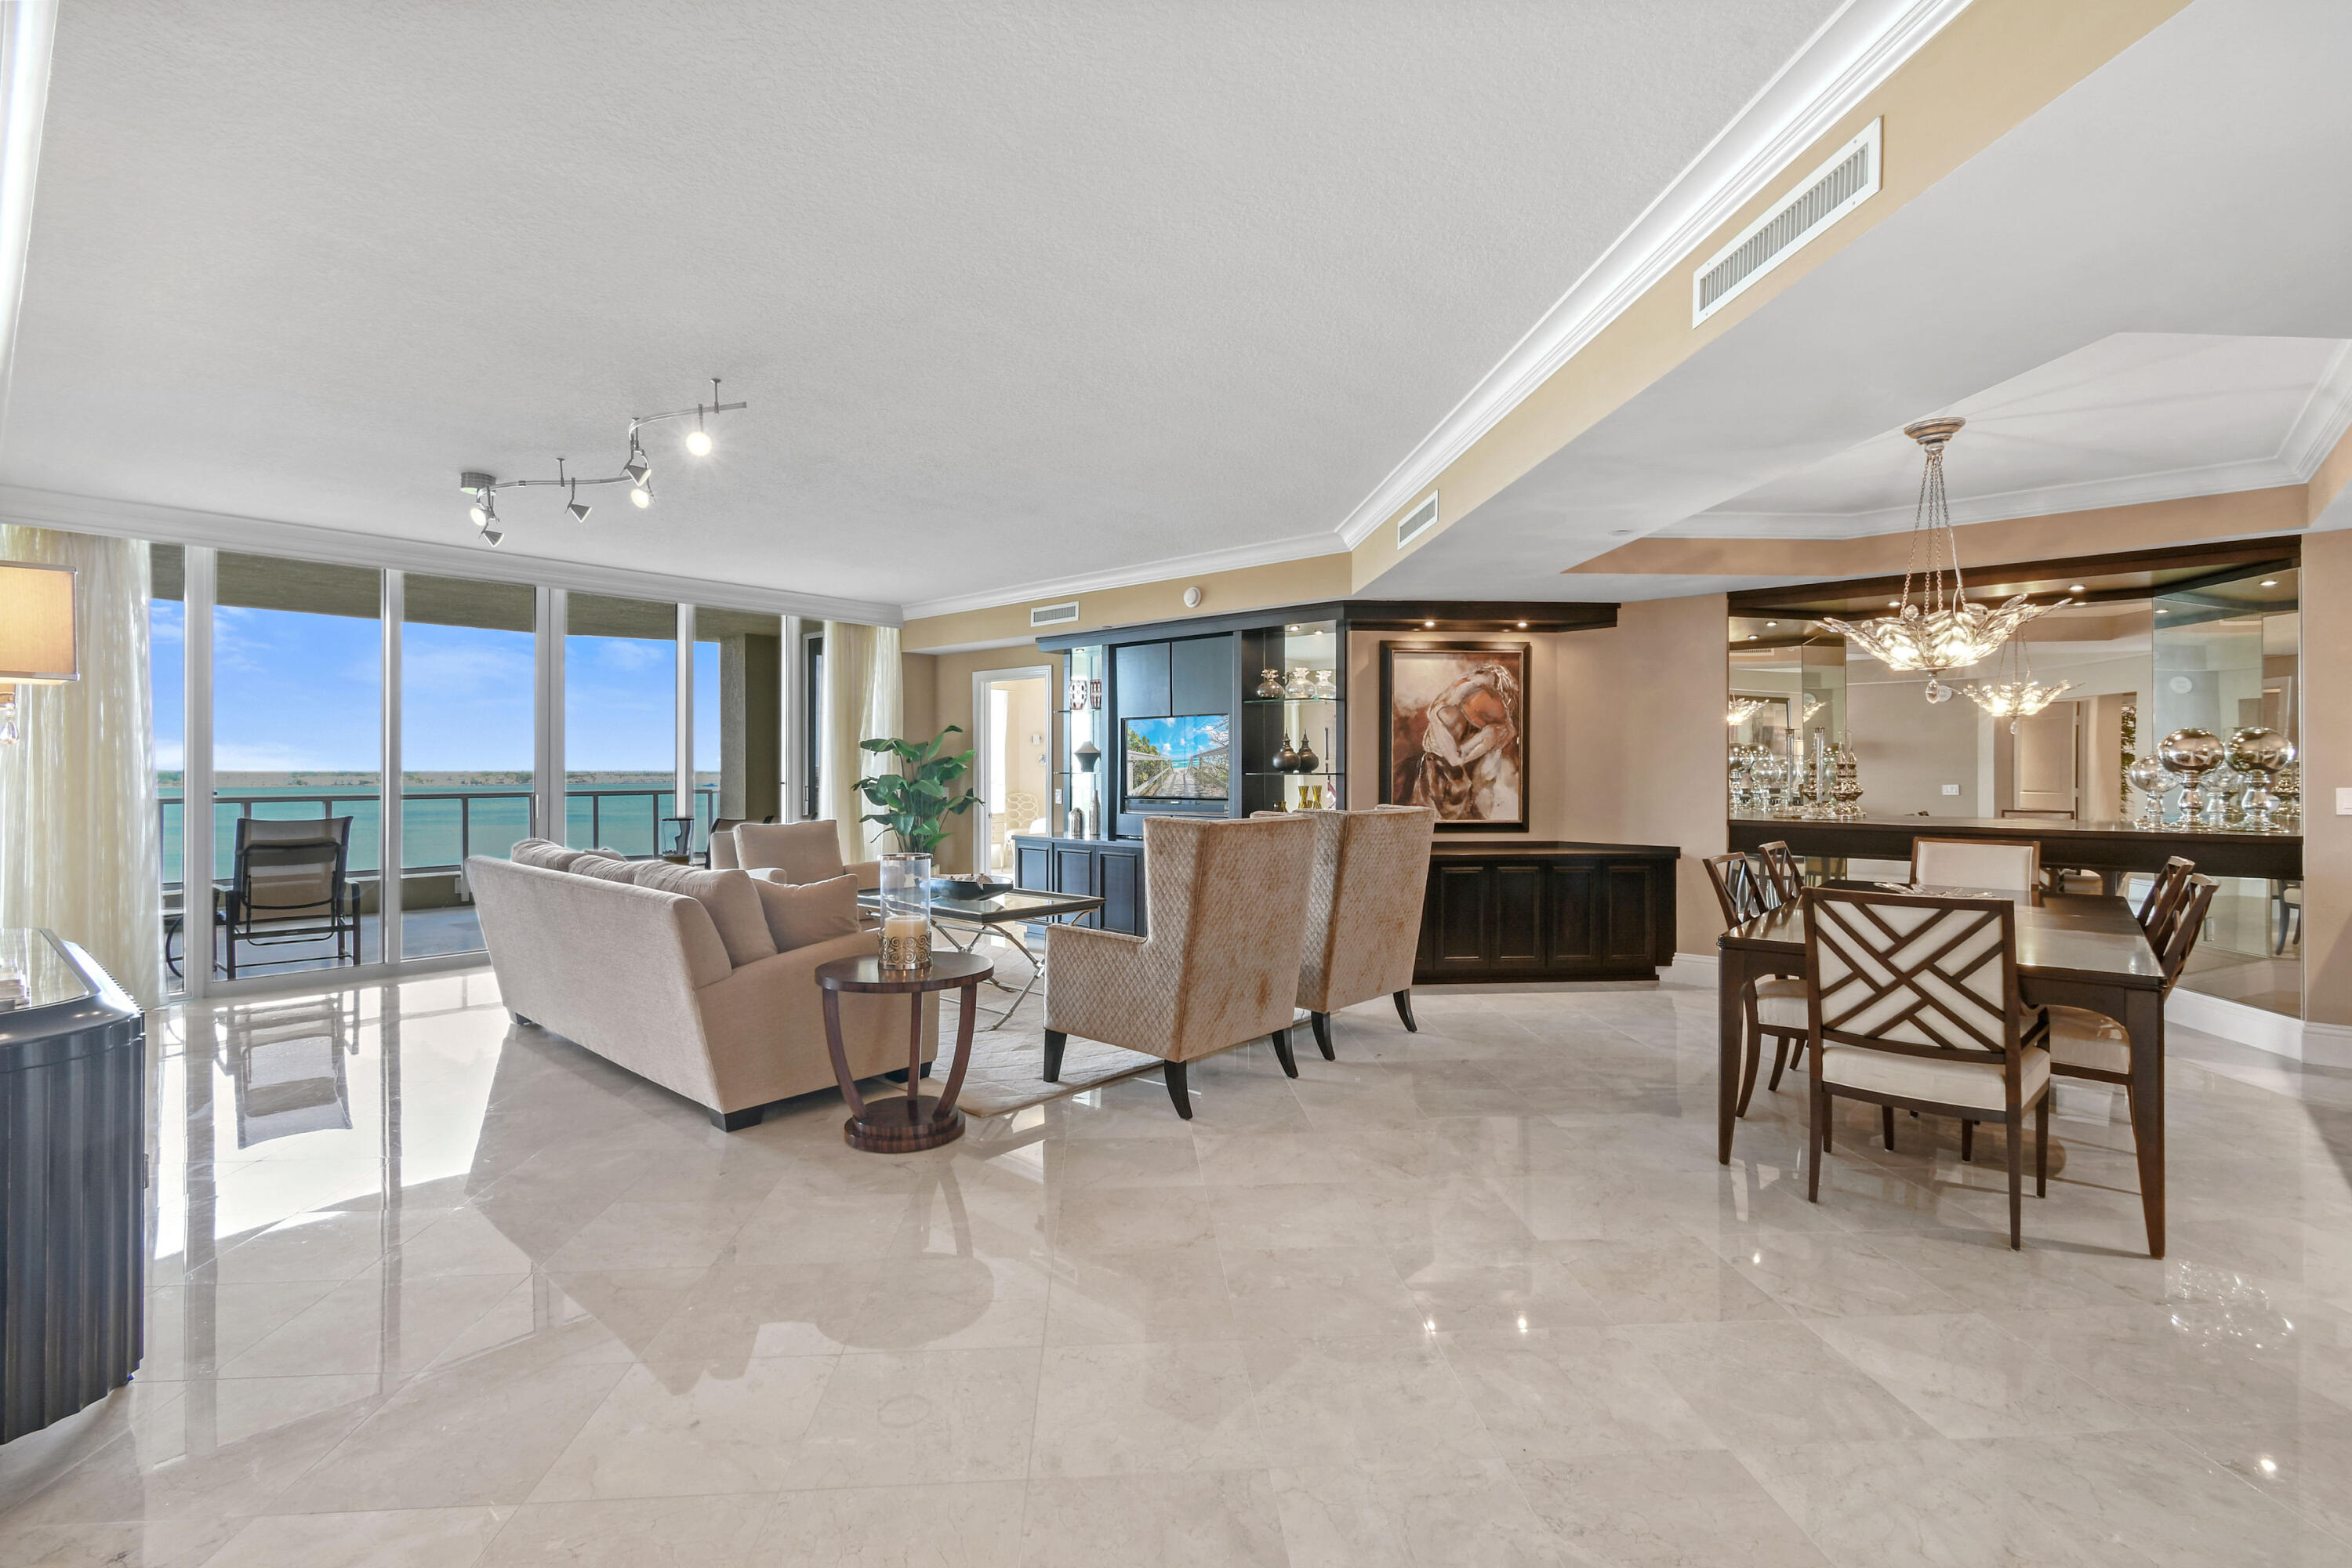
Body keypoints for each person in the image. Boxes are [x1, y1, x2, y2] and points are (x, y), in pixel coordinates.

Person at [1402, 661, 1521, 822]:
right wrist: (1484, 736)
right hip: (1442, 762)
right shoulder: (1442, 713)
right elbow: (1455, 759)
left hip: (1457, 760)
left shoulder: (1464, 703)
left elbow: (1510, 731)